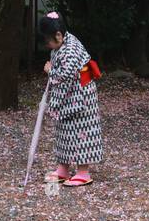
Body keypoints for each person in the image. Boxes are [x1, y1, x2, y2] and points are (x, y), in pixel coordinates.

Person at [40, 11, 104, 187]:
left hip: (81, 96)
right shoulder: (61, 44)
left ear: (59, 35)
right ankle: (63, 168)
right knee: (64, 131)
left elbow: (66, 75)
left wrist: (50, 71)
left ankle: (83, 172)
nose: (47, 45)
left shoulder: (70, 48)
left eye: (48, 41)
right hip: (69, 95)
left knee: (82, 133)